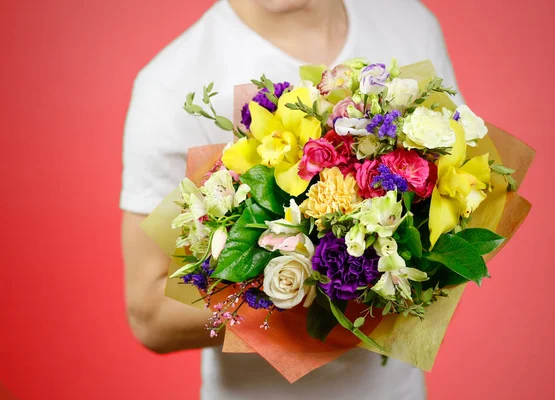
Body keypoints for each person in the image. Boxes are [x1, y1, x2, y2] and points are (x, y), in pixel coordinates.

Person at [121, 0, 463, 398]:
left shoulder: (409, 23)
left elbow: (460, 184)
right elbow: (149, 314)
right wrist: (306, 284)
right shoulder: (171, 82)